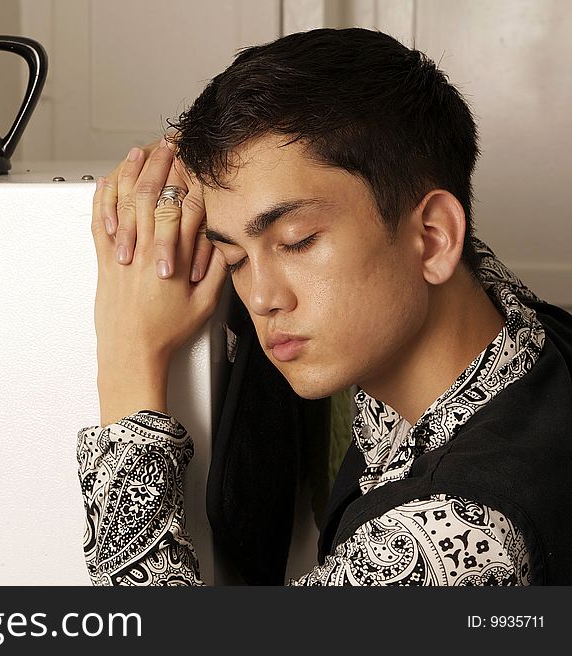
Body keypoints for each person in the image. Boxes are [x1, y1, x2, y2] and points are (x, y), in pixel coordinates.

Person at [76, 28, 572, 585]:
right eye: (234, 258)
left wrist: (128, 354)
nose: (263, 299)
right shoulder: (520, 332)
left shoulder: (457, 537)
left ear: (433, 238)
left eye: (297, 242)